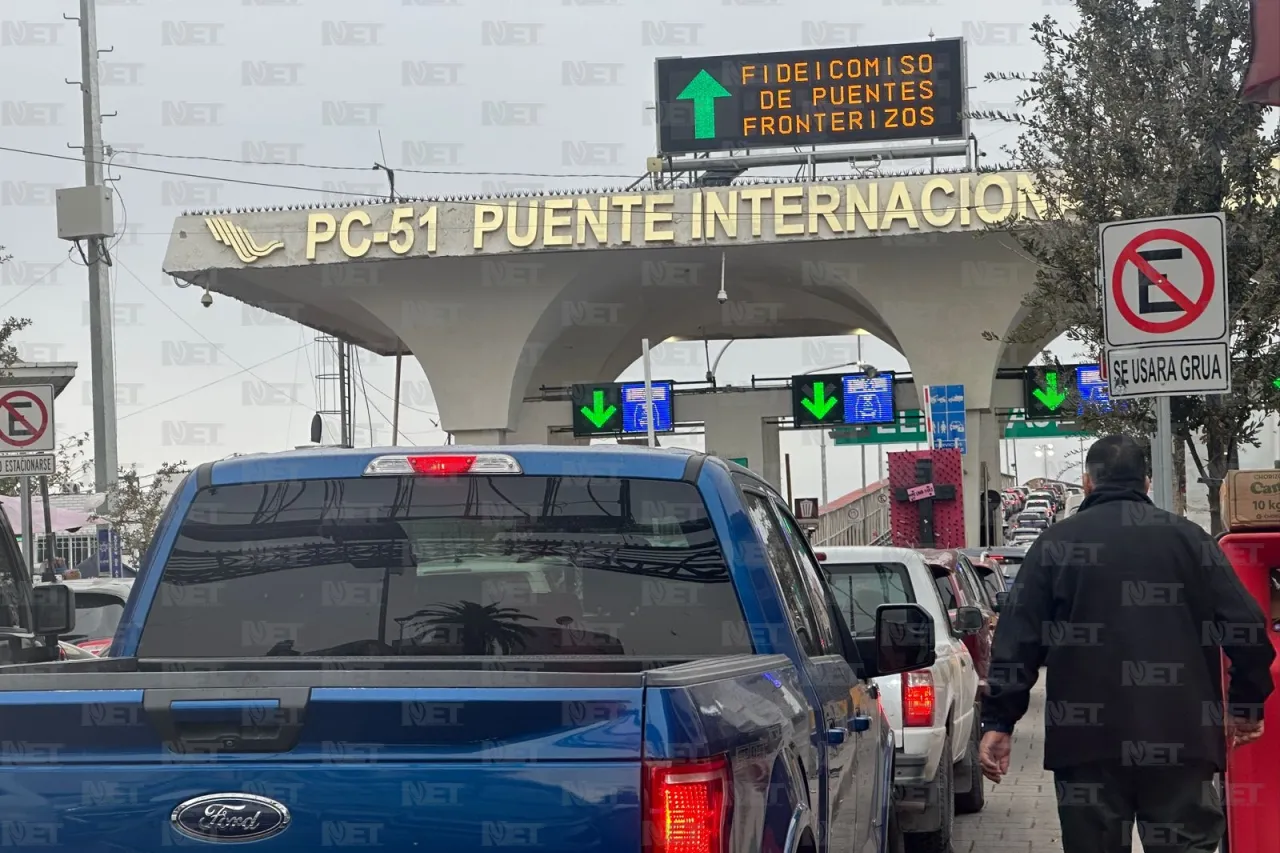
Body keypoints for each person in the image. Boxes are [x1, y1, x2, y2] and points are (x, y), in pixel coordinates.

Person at [979, 434, 1275, 853]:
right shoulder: (1191, 540)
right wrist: (1246, 705)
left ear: (1087, 483)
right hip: (1182, 739)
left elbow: (1016, 642)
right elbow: (1247, 624)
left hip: (1085, 746)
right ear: (1147, 483)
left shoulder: (1054, 546)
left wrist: (999, 722)